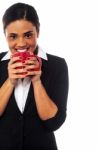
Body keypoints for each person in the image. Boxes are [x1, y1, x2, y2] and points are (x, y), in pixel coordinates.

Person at [0, 2, 69, 150]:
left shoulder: (57, 65)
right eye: (13, 36)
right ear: (5, 36)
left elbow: (54, 123)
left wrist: (37, 81)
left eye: (28, 35)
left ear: (38, 31)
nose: (21, 43)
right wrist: (10, 82)